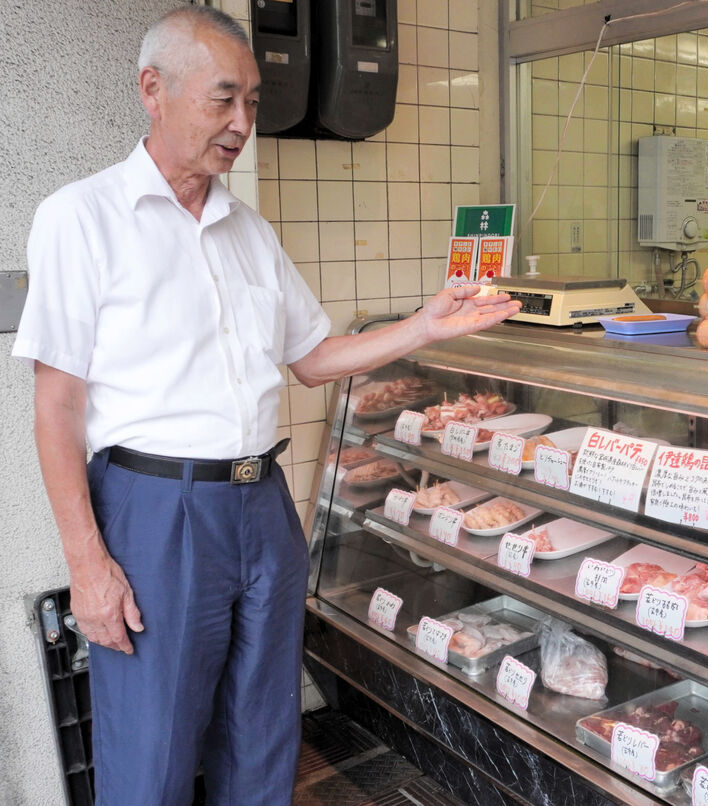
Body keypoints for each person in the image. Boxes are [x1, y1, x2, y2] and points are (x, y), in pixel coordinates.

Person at [12, 6, 519, 805]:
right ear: (153, 89)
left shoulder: (246, 228)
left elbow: (313, 360)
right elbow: (57, 408)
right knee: (151, 754)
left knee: (265, 736)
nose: (242, 122)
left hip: (261, 506)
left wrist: (426, 323)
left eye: (251, 101)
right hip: (155, 512)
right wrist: (87, 565)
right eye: (223, 99)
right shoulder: (81, 218)